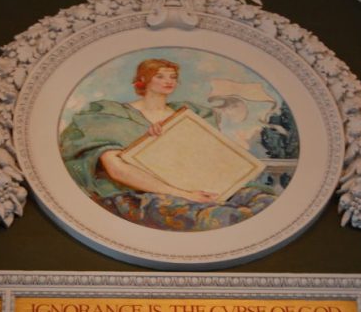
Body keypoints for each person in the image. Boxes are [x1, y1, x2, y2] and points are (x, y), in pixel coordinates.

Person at [59, 58, 275, 231]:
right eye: (160, 76)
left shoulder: (191, 114)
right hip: (145, 193)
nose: (168, 81)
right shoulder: (112, 114)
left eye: (173, 77)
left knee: (263, 202)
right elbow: (117, 169)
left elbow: (208, 157)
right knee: (219, 217)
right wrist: (186, 194)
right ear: (142, 80)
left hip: (203, 185)